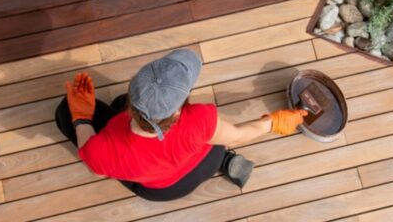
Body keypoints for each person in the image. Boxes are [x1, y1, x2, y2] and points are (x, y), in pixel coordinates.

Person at [55, 49, 307, 201]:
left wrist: (81, 117)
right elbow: (238, 135)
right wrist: (273, 122)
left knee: (64, 111)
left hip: (165, 189)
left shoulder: (102, 151)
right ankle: (226, 162)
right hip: (205, 161)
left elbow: (97, 169)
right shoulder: (199, 119)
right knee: (118, 103)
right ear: (177, 110)